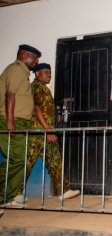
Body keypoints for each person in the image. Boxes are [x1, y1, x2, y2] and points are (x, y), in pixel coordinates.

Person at [14, 63, 80, 202]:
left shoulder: (43, 89)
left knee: (55, 160)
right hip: (36, 134)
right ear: (37, 73)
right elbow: (37, 109)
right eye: (45, 73)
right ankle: (15, 194)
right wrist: (48, 130)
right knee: (26, 164)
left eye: (50, 73)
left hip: (44, 133)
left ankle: (63, 191)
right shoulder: (36, 88)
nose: (49, 75)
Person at [0, 44, 40, 207]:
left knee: (20, 159)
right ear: (25, 55)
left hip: (19, 122)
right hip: (11, 121)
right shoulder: (17, 69)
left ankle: (7, 198)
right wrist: (10, 122)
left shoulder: (22, 72)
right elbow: (10, 95)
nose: (37, 61)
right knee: (16, 158)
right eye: (35, 58)